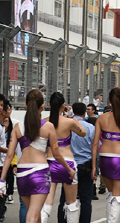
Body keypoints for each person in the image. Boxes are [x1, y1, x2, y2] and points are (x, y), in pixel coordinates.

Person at [0, 89, 75, 223]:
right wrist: (69, 169)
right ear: (42, 106)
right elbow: (57, 154)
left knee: (36, 216)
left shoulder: (17, 127)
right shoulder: (48, 127)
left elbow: (9, 155)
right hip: (40, 173)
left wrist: (2, 180)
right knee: (33, 217)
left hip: (22, 174)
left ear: (26, 105)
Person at [91, 88, 120, 223]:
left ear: (109, 101)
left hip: (104, 158)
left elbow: (95, 143)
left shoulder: (101, 118)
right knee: (117, 196)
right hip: (119, 159)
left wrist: (94, 165)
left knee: (110, 194)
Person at [42, 93, 87, 223]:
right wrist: (72, 117)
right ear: (64, 105)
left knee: (47, 202)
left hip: (49, 162)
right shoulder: (69, 122)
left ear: (49, 105)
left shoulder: (44, 121)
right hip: (68, 162)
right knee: (71, 203)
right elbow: (83, 132)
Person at [57, 102, 95, 223]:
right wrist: (95, 166)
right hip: (86, 164)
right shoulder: (90, 128)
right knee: (86, 200)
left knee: (65, 198)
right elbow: (96, 148)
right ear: (85, 113)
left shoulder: (66, 125)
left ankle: (63, 221)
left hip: (69, 164)